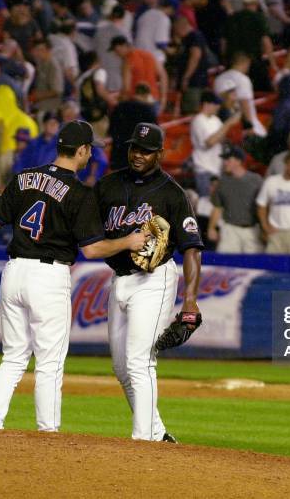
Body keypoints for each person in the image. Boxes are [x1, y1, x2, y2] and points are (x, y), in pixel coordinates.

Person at [0, 120, 149, 432]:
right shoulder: (78, 192)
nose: (89, 157)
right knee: (49, 362)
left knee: (14, 356)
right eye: (89, 151)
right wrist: (128, 241)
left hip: (14, 271)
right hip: (48, 277)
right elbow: (93, 250)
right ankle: (48, 432)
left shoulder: (24, 177)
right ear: (82, 150)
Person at [94, 122, 204, 441]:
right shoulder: (108, 186)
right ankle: (156, 433)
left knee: (140, 361)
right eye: (135, 148)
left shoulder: (171, 193)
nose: (138, 155)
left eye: (146, 150)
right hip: (120, 279)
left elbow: (192, 249)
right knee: (121, 368)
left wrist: (191, 299)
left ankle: (142, 441)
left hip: (155, 280)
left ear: (159, 153)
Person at [208, 144, 263, 253]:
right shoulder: (222, 182)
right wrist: (211, 228)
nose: (225, 162)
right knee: (225, 264)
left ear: (238, 161)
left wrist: (264, 229)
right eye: (224, 160)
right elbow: (217, 207)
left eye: (228, 159)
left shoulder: (256, 180)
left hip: (252, 229)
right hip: (230, 229)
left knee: (254, 265)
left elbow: (263, 206)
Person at [191, 90, 241, 197]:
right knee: (206, 207)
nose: (218, 107)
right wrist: (228, 123)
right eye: (215, 104)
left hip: (217, 170)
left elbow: (221, 139)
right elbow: (210, 142)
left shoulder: (216, 120)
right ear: (206, 104)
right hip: (204, 170)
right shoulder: (198, 121)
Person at [108, 82, 158, 170]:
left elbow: (112, 129)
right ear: (146, 95)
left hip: (118, 151)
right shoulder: (148, 111)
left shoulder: (119, 107)